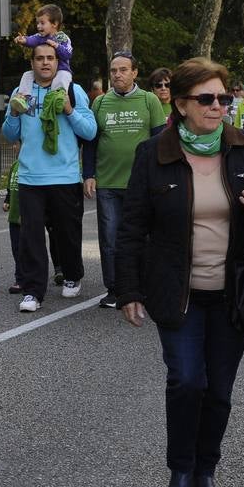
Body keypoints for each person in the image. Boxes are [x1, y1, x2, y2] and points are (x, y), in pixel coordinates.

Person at [114, 58, 244, 487]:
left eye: (224, 98)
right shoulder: (153, 153)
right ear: (181, 104)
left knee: (219, 388)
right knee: (186, 381)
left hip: (232, 292)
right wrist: (129, 289)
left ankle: (206, 470)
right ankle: (180, 471)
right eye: (206, 99)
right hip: (176, 291)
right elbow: (131, 228)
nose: (218, 106)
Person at [3, 41, 97, 311]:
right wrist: (13, 113)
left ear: (58, 62)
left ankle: (71, 275)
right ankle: (32, 291)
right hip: (31, 178)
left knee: (66, 233)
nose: (45, 63)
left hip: (65, 177)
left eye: (50, 58)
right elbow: (10, 134)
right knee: (30, 237)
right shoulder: (21, 91)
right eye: (39, 58)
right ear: (32, 63)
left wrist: (68, 109)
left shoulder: (73, 90)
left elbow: (90, 131)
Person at [81, 50, 165, 308]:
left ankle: (141, 286)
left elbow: (160, 141)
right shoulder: (100, 103)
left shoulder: (150, 100)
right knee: (109, 239)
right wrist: (88, 174)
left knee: (143, 237)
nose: (117, 74)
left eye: (123, 70)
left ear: (135, 72)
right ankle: (114, 288)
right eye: (114, 71)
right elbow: (91, 142)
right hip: (107, 182)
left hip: (141, 184)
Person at [11, 4, 74, 108]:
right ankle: (22, 98)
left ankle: (57, 99)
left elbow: (68, 54)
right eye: (37, 23)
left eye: (42, 23)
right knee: (27, 75)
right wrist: (23, 40)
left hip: (61, 70)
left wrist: (57, 46)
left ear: (54, 24)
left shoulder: (62, 38)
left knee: (62, 78)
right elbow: (31, 40)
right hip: (44, 71)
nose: (38, 26)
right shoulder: (40, 37)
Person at [3, 153, 23, 295]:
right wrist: (7, 200)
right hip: (14, 216)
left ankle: (25, 278)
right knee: (16, 248)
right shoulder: (15, 165)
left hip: (27, 217)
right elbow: (10, 187)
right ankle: (20, 278)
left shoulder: (31, 166)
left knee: (27, 249)